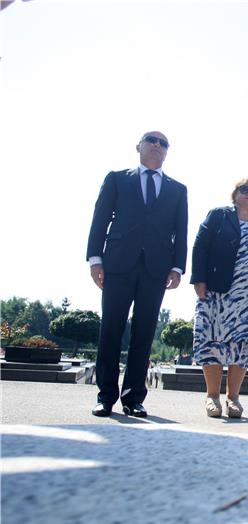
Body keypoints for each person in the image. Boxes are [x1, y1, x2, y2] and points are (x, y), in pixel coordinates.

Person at [86, 131, 188, 418]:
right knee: (111, 330)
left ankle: (133, 397)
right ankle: (105, 396)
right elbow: (100, 219)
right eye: (152, 140)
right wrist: (95, 258)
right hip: (118, 264)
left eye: (163, 143)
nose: (157, 145)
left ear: (167, 152)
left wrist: (178, 267)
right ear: (139, 146)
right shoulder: (117, 179)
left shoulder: (177, 190)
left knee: (144, 333)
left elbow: (181, 230)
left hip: (156, 268)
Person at [190, 178, 248, 418]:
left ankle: (233, 399)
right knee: (212, 342)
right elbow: (200, 247)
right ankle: (212, 397)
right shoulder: (218, 216)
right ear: (235, 194)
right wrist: (199, 279)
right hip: (216, 294)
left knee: (242, 345)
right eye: (245, 189)